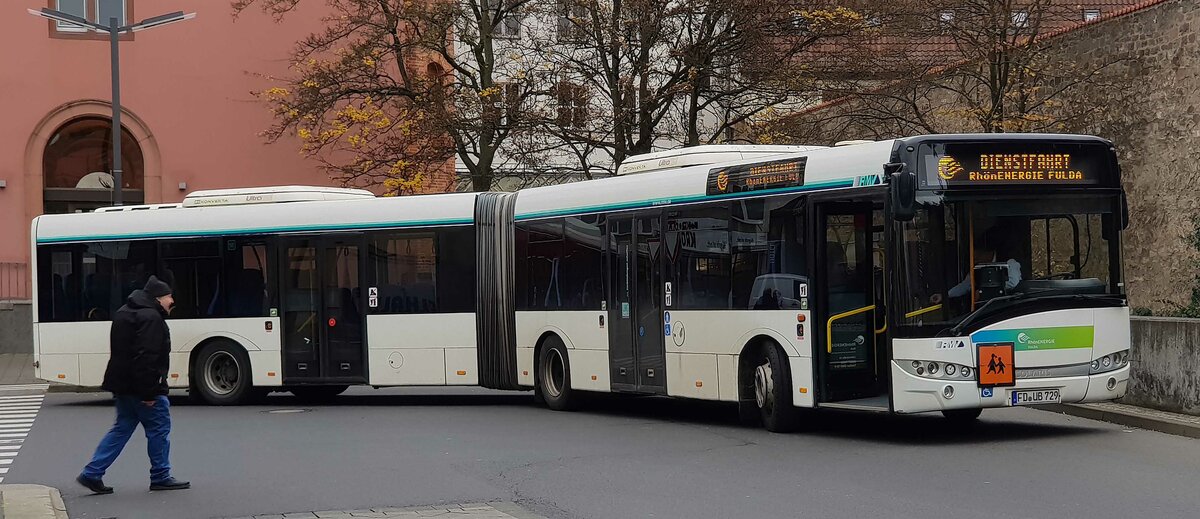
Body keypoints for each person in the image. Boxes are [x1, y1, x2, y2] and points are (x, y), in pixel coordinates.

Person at [76, 276, 190, 494]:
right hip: (144, 388)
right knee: (158, 430)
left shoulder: (123, 312)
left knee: (121, 429)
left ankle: (92, 472)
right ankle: (161, 475)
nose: (171, 301)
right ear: (158, 298)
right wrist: (149, 392)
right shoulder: (151, 318)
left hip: (122, 385)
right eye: (168, 296)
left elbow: (122, 353)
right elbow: (148, 356)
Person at [933, 226, 1022, 303]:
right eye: (973, 257)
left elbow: (1013, 282)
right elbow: (966, 285)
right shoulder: (977, 267)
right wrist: (945, 296)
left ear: (988, 252)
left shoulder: (1009, 262)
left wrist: (984, 291)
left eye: (977, 256)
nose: (974, 260)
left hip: (1008, 308)